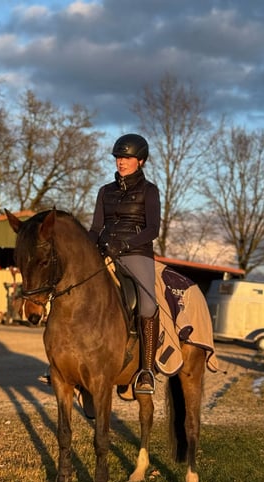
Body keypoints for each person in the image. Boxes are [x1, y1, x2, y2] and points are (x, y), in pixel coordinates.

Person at [88, 133, 161, 394]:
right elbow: (96, 227)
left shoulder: (149, 191)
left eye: (127, 157)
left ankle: (147, 370)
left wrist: (126, 245)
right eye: (119, 157)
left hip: (136, 253)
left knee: (148, 302)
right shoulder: (104, 191)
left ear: (140, 161)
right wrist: (87, 248)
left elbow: (153, 229)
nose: (121, 162)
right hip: (104, 251)